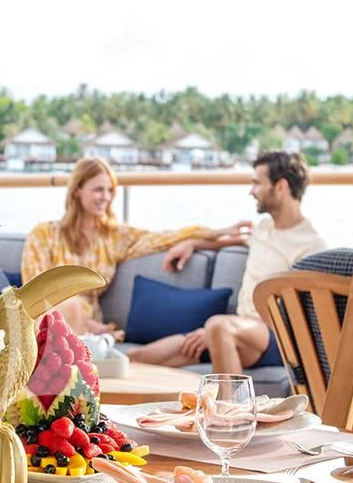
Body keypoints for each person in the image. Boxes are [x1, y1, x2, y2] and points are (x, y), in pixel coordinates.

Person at [126, 150, 328, 373]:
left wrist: (220, 331)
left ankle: (228, 408)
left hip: (275, 337)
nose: (252, 191)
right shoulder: (263, 229)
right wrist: (193, 244)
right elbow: (232, 241)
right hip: (239, 332)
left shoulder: (311, 247)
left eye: (257, 183)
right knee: (136, 358)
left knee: (217, 326)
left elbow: (302, 317)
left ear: (281, 187)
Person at [21, 156, 249, 335]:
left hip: (87, 326)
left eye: (110, 190)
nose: (106, 197)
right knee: (67, 308)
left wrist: (220, 234)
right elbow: (34, 296)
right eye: (98, 189)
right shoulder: (43, 234)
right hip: (48, 322)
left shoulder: (114, 236)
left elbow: (165, 238)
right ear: (77, 191)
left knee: (72, 310)